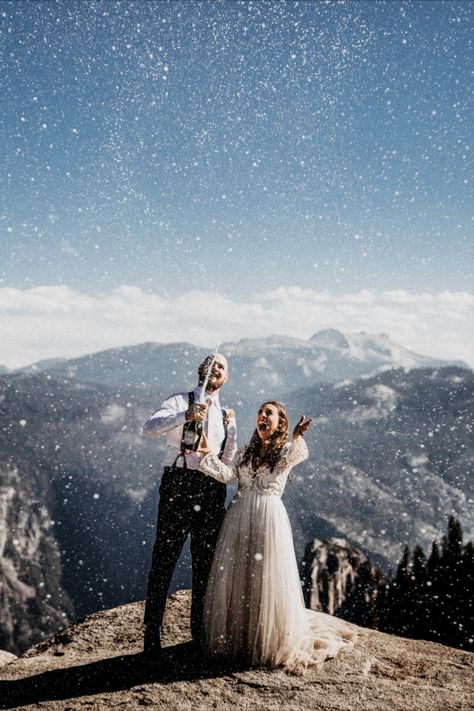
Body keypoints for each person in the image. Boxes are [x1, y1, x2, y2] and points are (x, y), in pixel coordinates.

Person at [197, 401, 356, 674]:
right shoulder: (246, 451)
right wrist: (205, 452)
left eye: (268, 413)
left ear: (280, 422)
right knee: (240, 576)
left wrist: (295, 437)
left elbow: (298, 454)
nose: (262, 416)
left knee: (265, 577)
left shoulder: (284, 452)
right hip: (238, 517)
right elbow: (227, 475)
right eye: (260, 412)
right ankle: (241, 639)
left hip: (269, 519)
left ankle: (266, 641)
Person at [142, 353, 237, 657]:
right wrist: (185, 416)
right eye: (210, 362)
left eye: (221, 366)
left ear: (226, 378)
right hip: (179, 482)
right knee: (164, 558)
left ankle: (199, 632)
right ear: (201, 370)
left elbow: (227, 462)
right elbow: (150, 429)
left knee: (205, 564)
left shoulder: (225, 416)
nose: (215, 368)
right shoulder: (179, 401)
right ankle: (152, 635)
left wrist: (232, 433)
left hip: (211, 490)